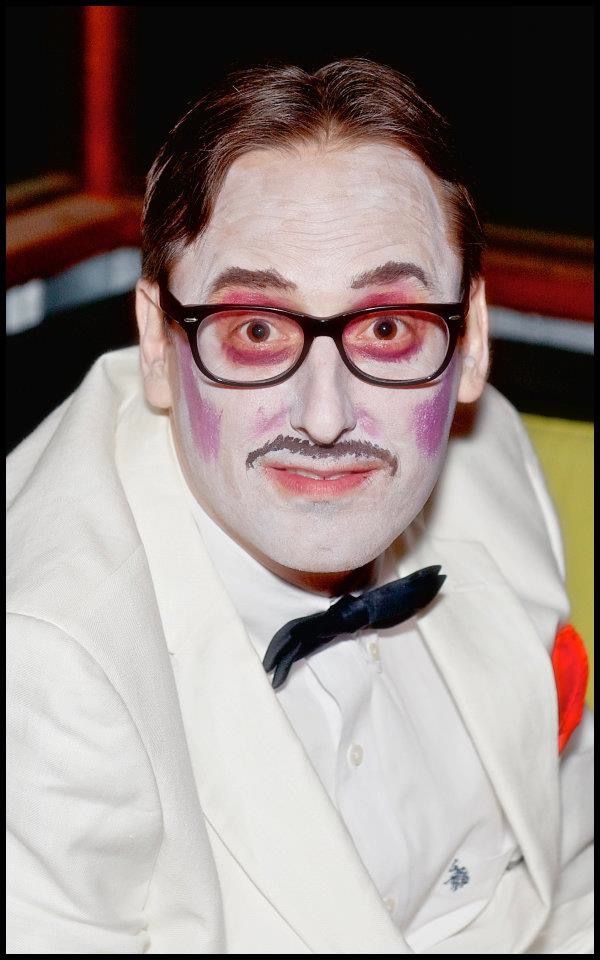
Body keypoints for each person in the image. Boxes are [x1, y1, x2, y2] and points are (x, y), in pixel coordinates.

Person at [6, 59, 592, 954]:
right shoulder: (44, 667)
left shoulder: (488, 459)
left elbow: (574, 860)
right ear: (158, 344)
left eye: (387, 328)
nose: (325, 418)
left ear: (470, 342)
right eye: (256, 329)